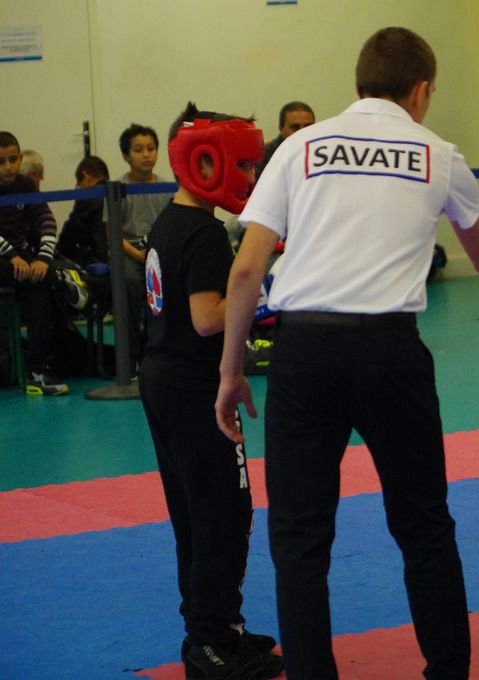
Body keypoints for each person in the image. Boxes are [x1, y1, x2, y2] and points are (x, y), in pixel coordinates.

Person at [213, 27, 479, 680]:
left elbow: (246, 272)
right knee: (424, 527)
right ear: (421, 91)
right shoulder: (439, 154)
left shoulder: (299, 147)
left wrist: (232, 372)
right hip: (390, 352)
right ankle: (446, 672)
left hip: (303, 351)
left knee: (299, 541)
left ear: (358, 86)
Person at [139, 103, 284, 680]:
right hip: (194, 385)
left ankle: (217, 628)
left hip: (164, 378)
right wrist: (273, 287)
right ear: (206, 162)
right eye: (243, 166)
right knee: (223, 512)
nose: (249, 180)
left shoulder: (169, 221)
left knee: (196, 515)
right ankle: (208, 640)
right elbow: (207, 317)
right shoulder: (201, 232)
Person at [0, 131, 89, 395]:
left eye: (13, 159)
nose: (8, 166)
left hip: (22, 263)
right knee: (30, 274)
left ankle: (38, 370)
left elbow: (47, 222)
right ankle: (59, 278)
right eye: (1, 161)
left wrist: (42, 259)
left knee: (38, 287)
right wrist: (13, 257)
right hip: (5, 260)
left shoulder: (26, 187)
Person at [106, 123, 174, 367]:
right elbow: (112, 234)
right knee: (131, 283)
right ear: (126, 155)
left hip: (157, 250)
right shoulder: (117, 189)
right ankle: (133, 357)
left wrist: (154, 254)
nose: (146, 155)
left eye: (151, 148)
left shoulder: (166, 188)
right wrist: (138, 255)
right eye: (138, 150)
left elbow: (170, 228)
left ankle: (165, 350)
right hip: (128, 251)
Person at [57, 156, 111, 268]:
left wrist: (57, 253)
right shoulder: (116, 194)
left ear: (85, 176)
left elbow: (69, 235)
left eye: (79, 184)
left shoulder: (87, 197)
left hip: (96, 259)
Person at [255, 101, 315, 181]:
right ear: (281, 128)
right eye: (295, 127)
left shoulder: (322, 153)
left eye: (308, 127)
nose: (302, 132)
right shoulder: (265, 155)